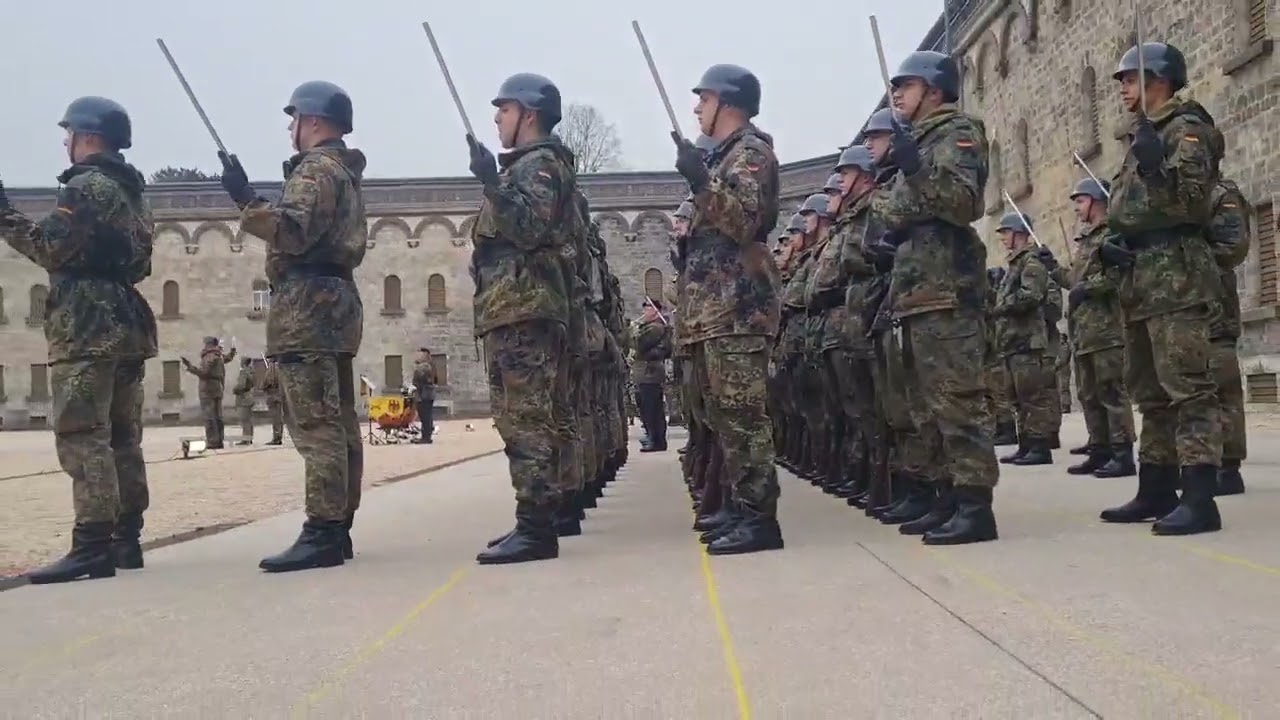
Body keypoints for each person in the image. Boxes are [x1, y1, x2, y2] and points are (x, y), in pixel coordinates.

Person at [0, 96, 157, 583]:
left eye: (68, 133)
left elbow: (50, 246)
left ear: (87, 136)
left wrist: (4, 215)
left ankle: (91, 544)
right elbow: (142, 263)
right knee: (123, 436)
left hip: (86, 323)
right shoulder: (132, 192)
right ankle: (126, 538)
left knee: (83, 433)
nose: (65, 142)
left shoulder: (84, 186)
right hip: (126, 320)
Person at [217, 80, 367, 570]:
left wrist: (245, 200)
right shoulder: (342, 172)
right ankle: (338, 526)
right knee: (338, 420)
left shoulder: (315, 169)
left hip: (307, 307)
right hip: (336, 303)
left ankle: (323, 530)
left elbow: (292, 231)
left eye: (294, 119)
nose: (290, 129)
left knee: (316, 423)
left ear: (313, 121)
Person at [869, 51, 998, 544]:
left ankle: (975, 506)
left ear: (934, 90)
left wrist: (917, 171)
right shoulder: (917, 141)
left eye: (906, 85)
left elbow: (963, 203)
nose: (897, 93)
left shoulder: (958, 132)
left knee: (958, 401)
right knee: (926, 406)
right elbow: (892, 209)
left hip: (947, 287)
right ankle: (945, 497)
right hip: (916, 289)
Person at [1098, 41, 1225, 535]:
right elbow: (1129, 210)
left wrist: (1156, 168)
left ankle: (1200, 497)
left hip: (1177, 275)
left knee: (1189, 390)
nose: (1123, 89)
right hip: (1141, 277)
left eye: (1130, 79)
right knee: (1149, 392)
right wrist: (1113, 241)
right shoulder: (1141, 134)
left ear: (1160, 81)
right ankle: (1156, 486)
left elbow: (1191, 204)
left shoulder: (1187, 129)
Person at [466, 73, 579, 565]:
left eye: (505, 109)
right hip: (513, 307)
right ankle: (533, 520)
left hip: (524, 308)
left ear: (528, 114)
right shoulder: (527, 167)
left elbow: (530, 228)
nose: (497, 118)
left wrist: (492, 183)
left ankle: (536, 528)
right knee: (520, 417)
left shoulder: (539, 166)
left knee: (526, 418)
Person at [673, 64, 783, 555]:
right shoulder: (724, 158)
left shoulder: (750, 153)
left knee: (742, 416)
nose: (697, 107)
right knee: (723, 416)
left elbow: (744, 222)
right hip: (714, 311)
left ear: (729, 103)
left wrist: (701, 182)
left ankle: (759, 519)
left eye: (705, 98)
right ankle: (740, 508)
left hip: (738, 308)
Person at [1059, 178, 1136, 477]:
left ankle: (1122, 453)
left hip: (1106, 329)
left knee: (1111, 391)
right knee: (1089, 394)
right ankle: (1100, 448)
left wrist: (1087, 289)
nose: (1076, 208)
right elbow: (1073, 282)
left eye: (1080, 201)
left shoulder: (1112, 235)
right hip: (1084, 330)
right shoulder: (1087, 239)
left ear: (1096, 201)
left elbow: (1119, 276)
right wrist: (1053, 269)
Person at [990, 213, 1055, 466]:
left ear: (1019, 233)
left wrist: (1001, 305)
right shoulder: (1015, 264)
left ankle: (1039, 446)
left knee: (1032, 397)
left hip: (1027, 341)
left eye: (1006, 233)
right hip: (1013, 342)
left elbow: (1031, 295)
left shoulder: (1031, 262)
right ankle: (1026, 444)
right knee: (1017, 397)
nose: (1003, 238)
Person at [633, 299, 672, 452]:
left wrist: (635, 330)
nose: (645, 311)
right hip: (646, 371)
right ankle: (654, 437)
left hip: (650, 372)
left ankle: (655, 439)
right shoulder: (649, 327)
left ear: (656, 310)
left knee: (651, 408)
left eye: (648, 308)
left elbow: (640, 344)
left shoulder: (655, 327)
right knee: (648, 407)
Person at [182, 336, 235, 449]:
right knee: (217, 416)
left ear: (208, 344)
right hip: (217, 388)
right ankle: (219, 440)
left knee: (209, 416)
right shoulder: (218, 355)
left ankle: (212, 441)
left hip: (208, 389)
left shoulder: (209, 356)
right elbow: (228, 358)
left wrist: (190, 367)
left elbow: (204, 372)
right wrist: (232, 352)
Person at [411, 347, 438, 443]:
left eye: (420, 354)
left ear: (425, 356)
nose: (417, 356)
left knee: (425, 416)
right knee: (427, 416)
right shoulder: (431, 365)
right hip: (428, 394)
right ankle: (427, 435)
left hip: (424, 394)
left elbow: (418, 381)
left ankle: (426, 437)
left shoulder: (424, 367)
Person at [260, 358, 286, 445]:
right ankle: (279, 436)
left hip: (273, 397)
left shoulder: (271, 369)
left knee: (275, 419)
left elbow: (265, 383)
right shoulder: (281, 370)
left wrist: (264, 387)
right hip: (279, 396)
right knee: (279, 418)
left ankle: (276, 438)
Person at [231, 357, 256, 445]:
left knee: (244, 420)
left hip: (243, 398)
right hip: (250, 396)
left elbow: (241, 385)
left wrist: (235, 389)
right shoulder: (251, 371)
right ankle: (249, 437)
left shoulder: (243, 372)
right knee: (249, 420)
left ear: (243, 363)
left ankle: (246, 439)